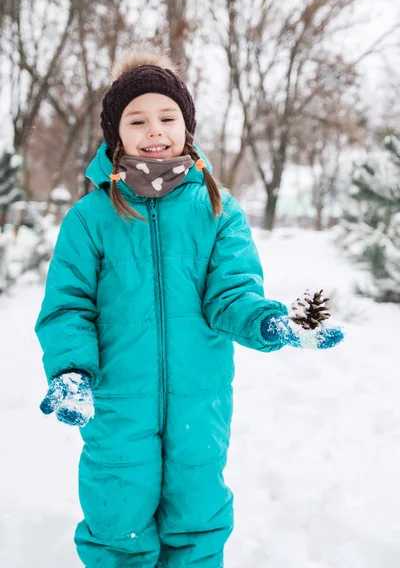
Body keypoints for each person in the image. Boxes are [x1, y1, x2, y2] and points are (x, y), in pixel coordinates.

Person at [35, 43, 343, 568]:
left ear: (186, 126)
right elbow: (69, 306)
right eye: (137, 120)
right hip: (115, 405)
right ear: (116, 135)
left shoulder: (218, 210)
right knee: (117, 520)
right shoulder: (90, 218)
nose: (154, 129)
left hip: (199, 405)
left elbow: (231, 294)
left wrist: (270, 322)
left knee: (196, 516)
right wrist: (70, 371)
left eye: (167, 116)